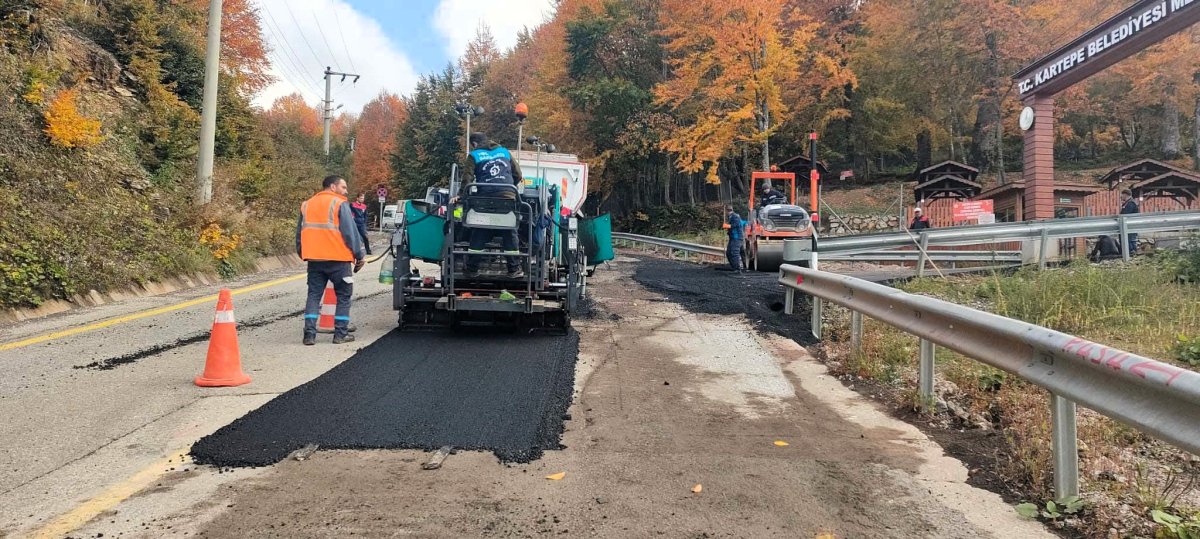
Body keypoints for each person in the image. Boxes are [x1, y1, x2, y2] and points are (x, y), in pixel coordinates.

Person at [297, 175, 365, 345]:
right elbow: (350, 233)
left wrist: (302, 252)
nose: (346, 191)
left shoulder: (307, 205)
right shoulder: (339, 204)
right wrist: (359, 255)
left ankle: (309, 335)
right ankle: (340, 334)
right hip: (338, 260)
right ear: (333, 187)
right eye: (344, 187)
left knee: (313, 295)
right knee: (343, 296)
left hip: (315, 260)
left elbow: (300, 233)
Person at [464, 132, 524, 278]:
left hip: (484, 199)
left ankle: (472, 269)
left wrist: (461, 196)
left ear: (474, 144)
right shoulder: (504, 152)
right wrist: (508, 188)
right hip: (507, 197)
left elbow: (467, 178)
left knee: (479, 231)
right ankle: (514, 269)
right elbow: (518, 175)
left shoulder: (474, 155)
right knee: (509, 231)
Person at [725, 205, 745, 273]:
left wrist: (726, 226)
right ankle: (735, 267)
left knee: (734, 252)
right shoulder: (731, 217)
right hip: (733, 237)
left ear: (727, 211)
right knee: (728, 253)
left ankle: (737, 268)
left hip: (737, 237)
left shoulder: (735, 216)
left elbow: (735, 225)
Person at [1119, 189, 1139, 256]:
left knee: (1129, 241)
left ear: (1125, 194)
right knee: (1129, 240)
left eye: (1122, 194)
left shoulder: (1130, 204)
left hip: (1129, 227)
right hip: (1129, 227)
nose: (1121, 196)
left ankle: (1131, 254)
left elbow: (1125, 215)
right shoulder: (1128, 203)